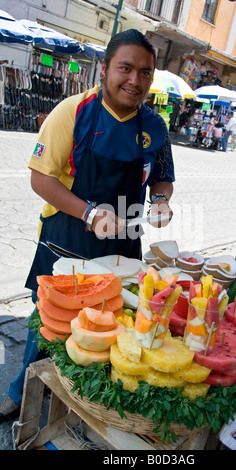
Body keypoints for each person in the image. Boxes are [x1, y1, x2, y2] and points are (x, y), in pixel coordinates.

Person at [0, 29, 175, 418]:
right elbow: (40, 179)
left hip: (121, 250)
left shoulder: (155, 126)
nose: (135, 80)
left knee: (107, 327)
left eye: (145, 72)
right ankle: (21, 390)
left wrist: (161, 199)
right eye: (125, 68)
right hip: (66, 241)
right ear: (104, 69)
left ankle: (80, 401)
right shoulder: (74, 112)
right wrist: (90, 212)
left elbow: (162, 174)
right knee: (46, 325)